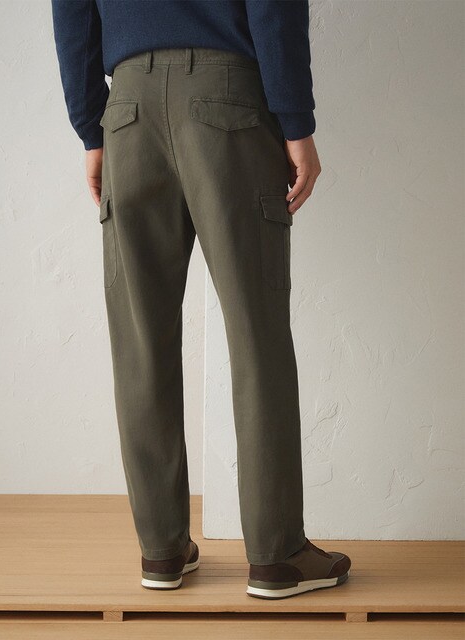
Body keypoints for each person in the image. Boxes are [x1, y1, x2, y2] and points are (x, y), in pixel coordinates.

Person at [51, 0, 351, 600]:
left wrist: (92, 127)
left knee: (141, 342)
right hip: (228, 102)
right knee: (257, 335)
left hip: (128, 112)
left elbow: (72, 12)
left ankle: (162, 550)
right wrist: (296, 122)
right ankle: (276, 555)